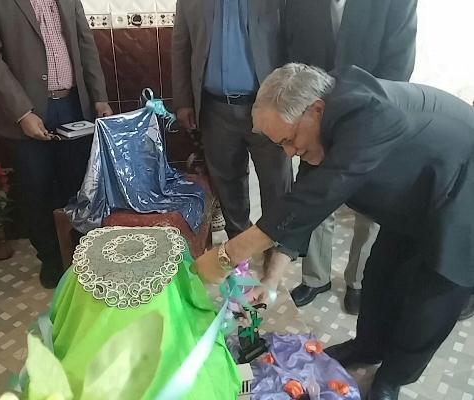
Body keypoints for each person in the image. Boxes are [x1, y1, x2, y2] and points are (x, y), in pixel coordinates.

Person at [195, 63, 474, 400]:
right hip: (414, 199)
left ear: (316, 110)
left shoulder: (369, 115)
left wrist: (228, 255)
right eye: (281, 144)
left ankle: (392, 377)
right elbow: (302, 209)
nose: (290, 152)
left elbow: (316, 196)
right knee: (381, 274)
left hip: (463, 194)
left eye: (289, 140)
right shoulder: (323, 124)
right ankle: (367, 348)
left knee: (432, 301)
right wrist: (270, 281)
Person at [0, 0, 112, 288]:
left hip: (74, 106)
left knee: (81, 186)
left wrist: (99, 97)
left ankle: (84, 255)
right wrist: (22, 112)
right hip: (27, 111)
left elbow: (85, 44)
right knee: (38, 189)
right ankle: (51, 259)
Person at [284, 0, 418, 314]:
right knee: (317, 194)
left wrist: (365, 114)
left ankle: (359, 281)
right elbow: (293, 55)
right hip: (315, 117)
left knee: (369, 209)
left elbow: (399, 62)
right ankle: (316, 277)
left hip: (371, 116)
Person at [172, 0, 293, 245]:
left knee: (276, 182)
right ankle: (239, 244)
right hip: (215, 110)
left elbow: (293, 41)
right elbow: (181, 47)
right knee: (228, 186)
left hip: (270, 107)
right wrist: (183, 101)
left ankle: (277, 246)